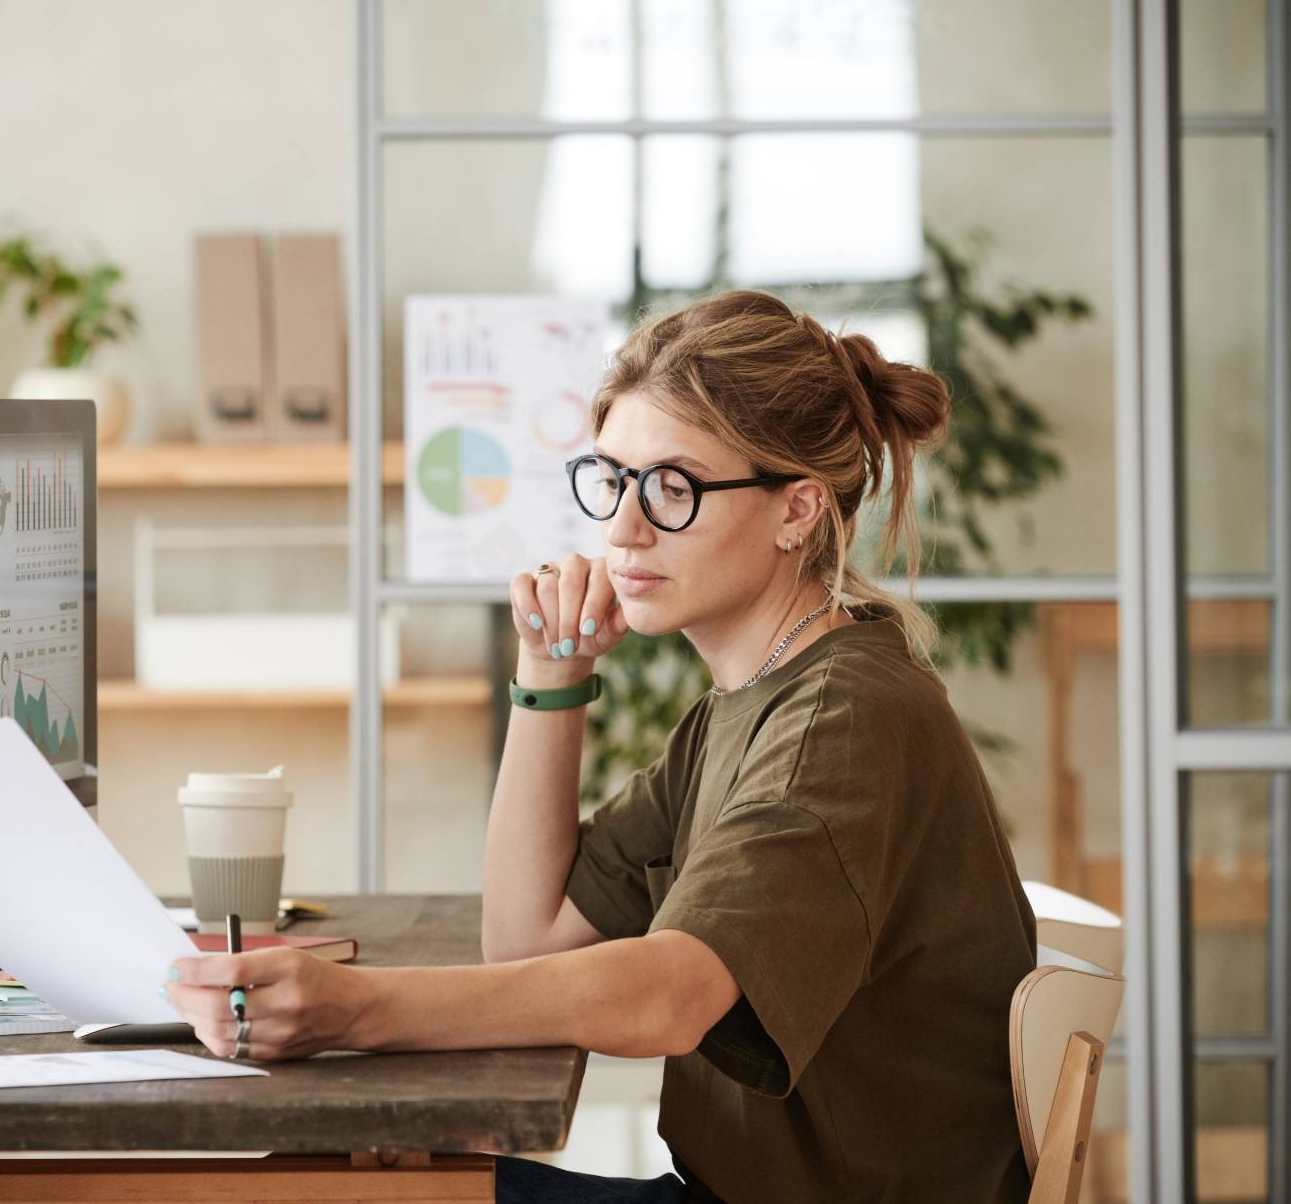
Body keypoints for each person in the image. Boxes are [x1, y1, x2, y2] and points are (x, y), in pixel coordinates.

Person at [162, 290, 1038, 1201]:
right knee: (325, 1180)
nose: (622, 528)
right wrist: (552, 666)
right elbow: (526, 939)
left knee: (320, 1191)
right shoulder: (746, 705)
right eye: (612, 479)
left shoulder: (843, 720)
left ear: (797, 511)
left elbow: (671, 995)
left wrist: (359, 1007)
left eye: (673, 487)